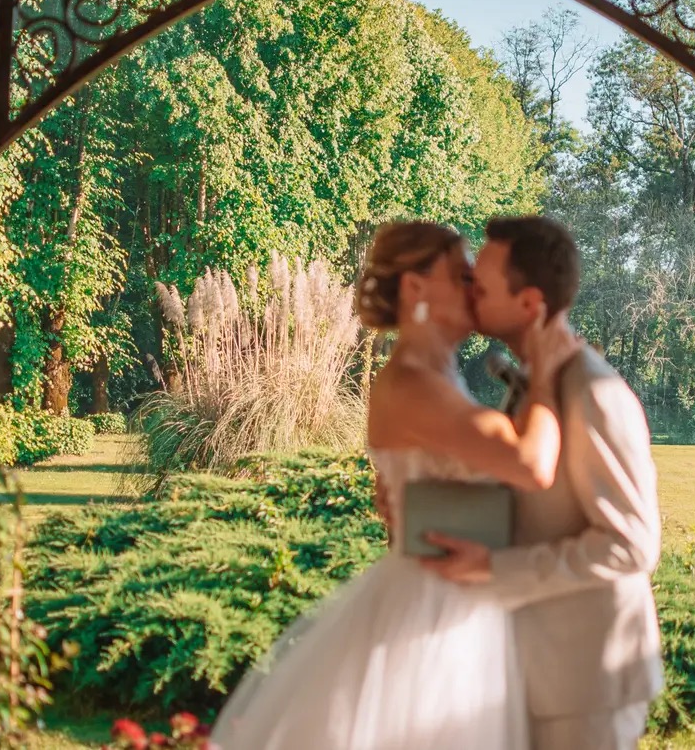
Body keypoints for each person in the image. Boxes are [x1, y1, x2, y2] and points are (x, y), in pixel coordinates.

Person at [208, 220, 580, 750]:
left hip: (458, 598)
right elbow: (531, 463)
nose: (475, 286)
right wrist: (545, 365)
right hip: (429, 607)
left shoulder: (439, 372)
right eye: (461, 274)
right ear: (415, 287)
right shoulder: (410, 381)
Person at [423, 215, 664, 750]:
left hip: (585, 683)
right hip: (535, 673)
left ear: (529, 304)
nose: (468, 291)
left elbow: (632, 544)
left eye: (479, 286)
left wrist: (494, 569)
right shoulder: (540, 384)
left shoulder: (592, 393)